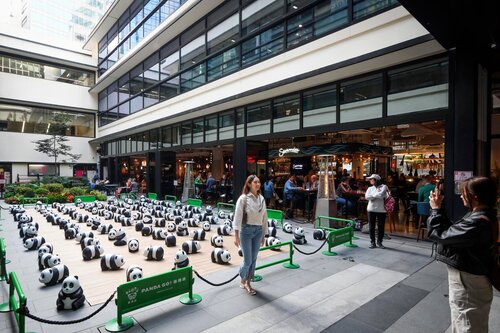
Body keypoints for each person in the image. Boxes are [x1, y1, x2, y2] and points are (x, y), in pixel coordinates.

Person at [427, 177, 498, 333]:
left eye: (463, 193)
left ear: (475, 197)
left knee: (467, 325)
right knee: (465, 322)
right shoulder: (479, 216)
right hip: (471, 281)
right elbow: (451, 234)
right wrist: (440, 208)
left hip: (469, 285)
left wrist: (435, 210)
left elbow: (438, 234)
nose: (460, 196)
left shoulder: (477, 222)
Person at [233, 175, 269, 296]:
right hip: (246, 231)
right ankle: (242, 277)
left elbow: (264, 217)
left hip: (258, 231)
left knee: (253, 260)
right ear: (249, 184)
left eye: (259, 182)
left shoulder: (262, 199)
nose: (258, 184)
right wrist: (236, 236)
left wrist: (264, 234)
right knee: (248, 260)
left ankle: (248, 283)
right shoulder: (243, 199)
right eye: (255, 182)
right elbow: (237, 217)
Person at [365, 174, 389, 249]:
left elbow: (382, 195)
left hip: (381, 210)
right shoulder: (369, 188)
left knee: (381, 227)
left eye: (371, 179)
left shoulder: (384, 187)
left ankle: (379, 242)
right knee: (371, 226)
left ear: (376, 180)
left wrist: (373, 196)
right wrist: (376, 194)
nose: (370, 180)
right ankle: (372, 242)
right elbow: (367, 197)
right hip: (371, 209)